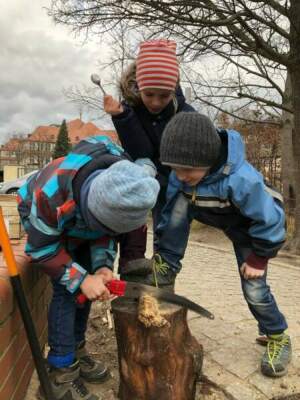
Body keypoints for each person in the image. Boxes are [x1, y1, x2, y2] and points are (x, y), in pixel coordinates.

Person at [17, 135, 159, 400]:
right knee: (66, 289)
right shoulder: (50, 196)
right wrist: (81, 278)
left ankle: (76, 350)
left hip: (80, 214)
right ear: (89, 208)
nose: (103, 232)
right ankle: (60, 371)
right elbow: (40, 249)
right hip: (42, 215)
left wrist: (103, 267)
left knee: (87, 286)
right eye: (100, 225)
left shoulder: (123, 183)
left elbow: (104, 234)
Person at [154, 112, 291, 378]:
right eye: (175, 168)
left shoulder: (242, 180)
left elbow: (272, 220)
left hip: (250, 231)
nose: (180, 176)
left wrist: (259, 259)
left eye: (187, 170)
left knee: (254, 289)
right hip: (219, 218)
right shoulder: (182, 175)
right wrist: (162, 247)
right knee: (177, 206)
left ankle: (277, 335)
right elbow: (170, 214)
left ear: (208, 159)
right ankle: (167, 264)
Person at [104, 39, 195, 285]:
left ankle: (164, 273)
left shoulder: (185, 114)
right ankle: (132, 265)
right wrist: (122, 118)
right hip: (142, 173)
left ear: (174, 89)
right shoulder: (130, 109)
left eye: (163, 96)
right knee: (132, 213)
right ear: (138, 89)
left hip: (173, 179)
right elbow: (141, 151)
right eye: (149, 95)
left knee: (172, 225)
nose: (155, 102)